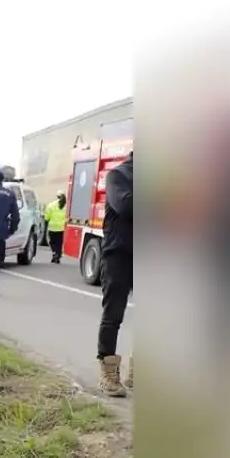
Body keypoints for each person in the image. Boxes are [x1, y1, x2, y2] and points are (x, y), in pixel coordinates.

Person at [97, 151, 134, 396]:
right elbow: (127, 205)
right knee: (114, 315)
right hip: (119, 254)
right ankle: (108, 373)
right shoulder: (118, 175)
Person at [44, 190, 68, 263]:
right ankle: (58, 255)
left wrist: (47, 220)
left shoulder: (51, 205)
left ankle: (54, 253)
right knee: (59, 242)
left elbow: (47, 217)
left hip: (52, 227)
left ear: (57, 196)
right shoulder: (66, 206)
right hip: (61, 228)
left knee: (52, 242)